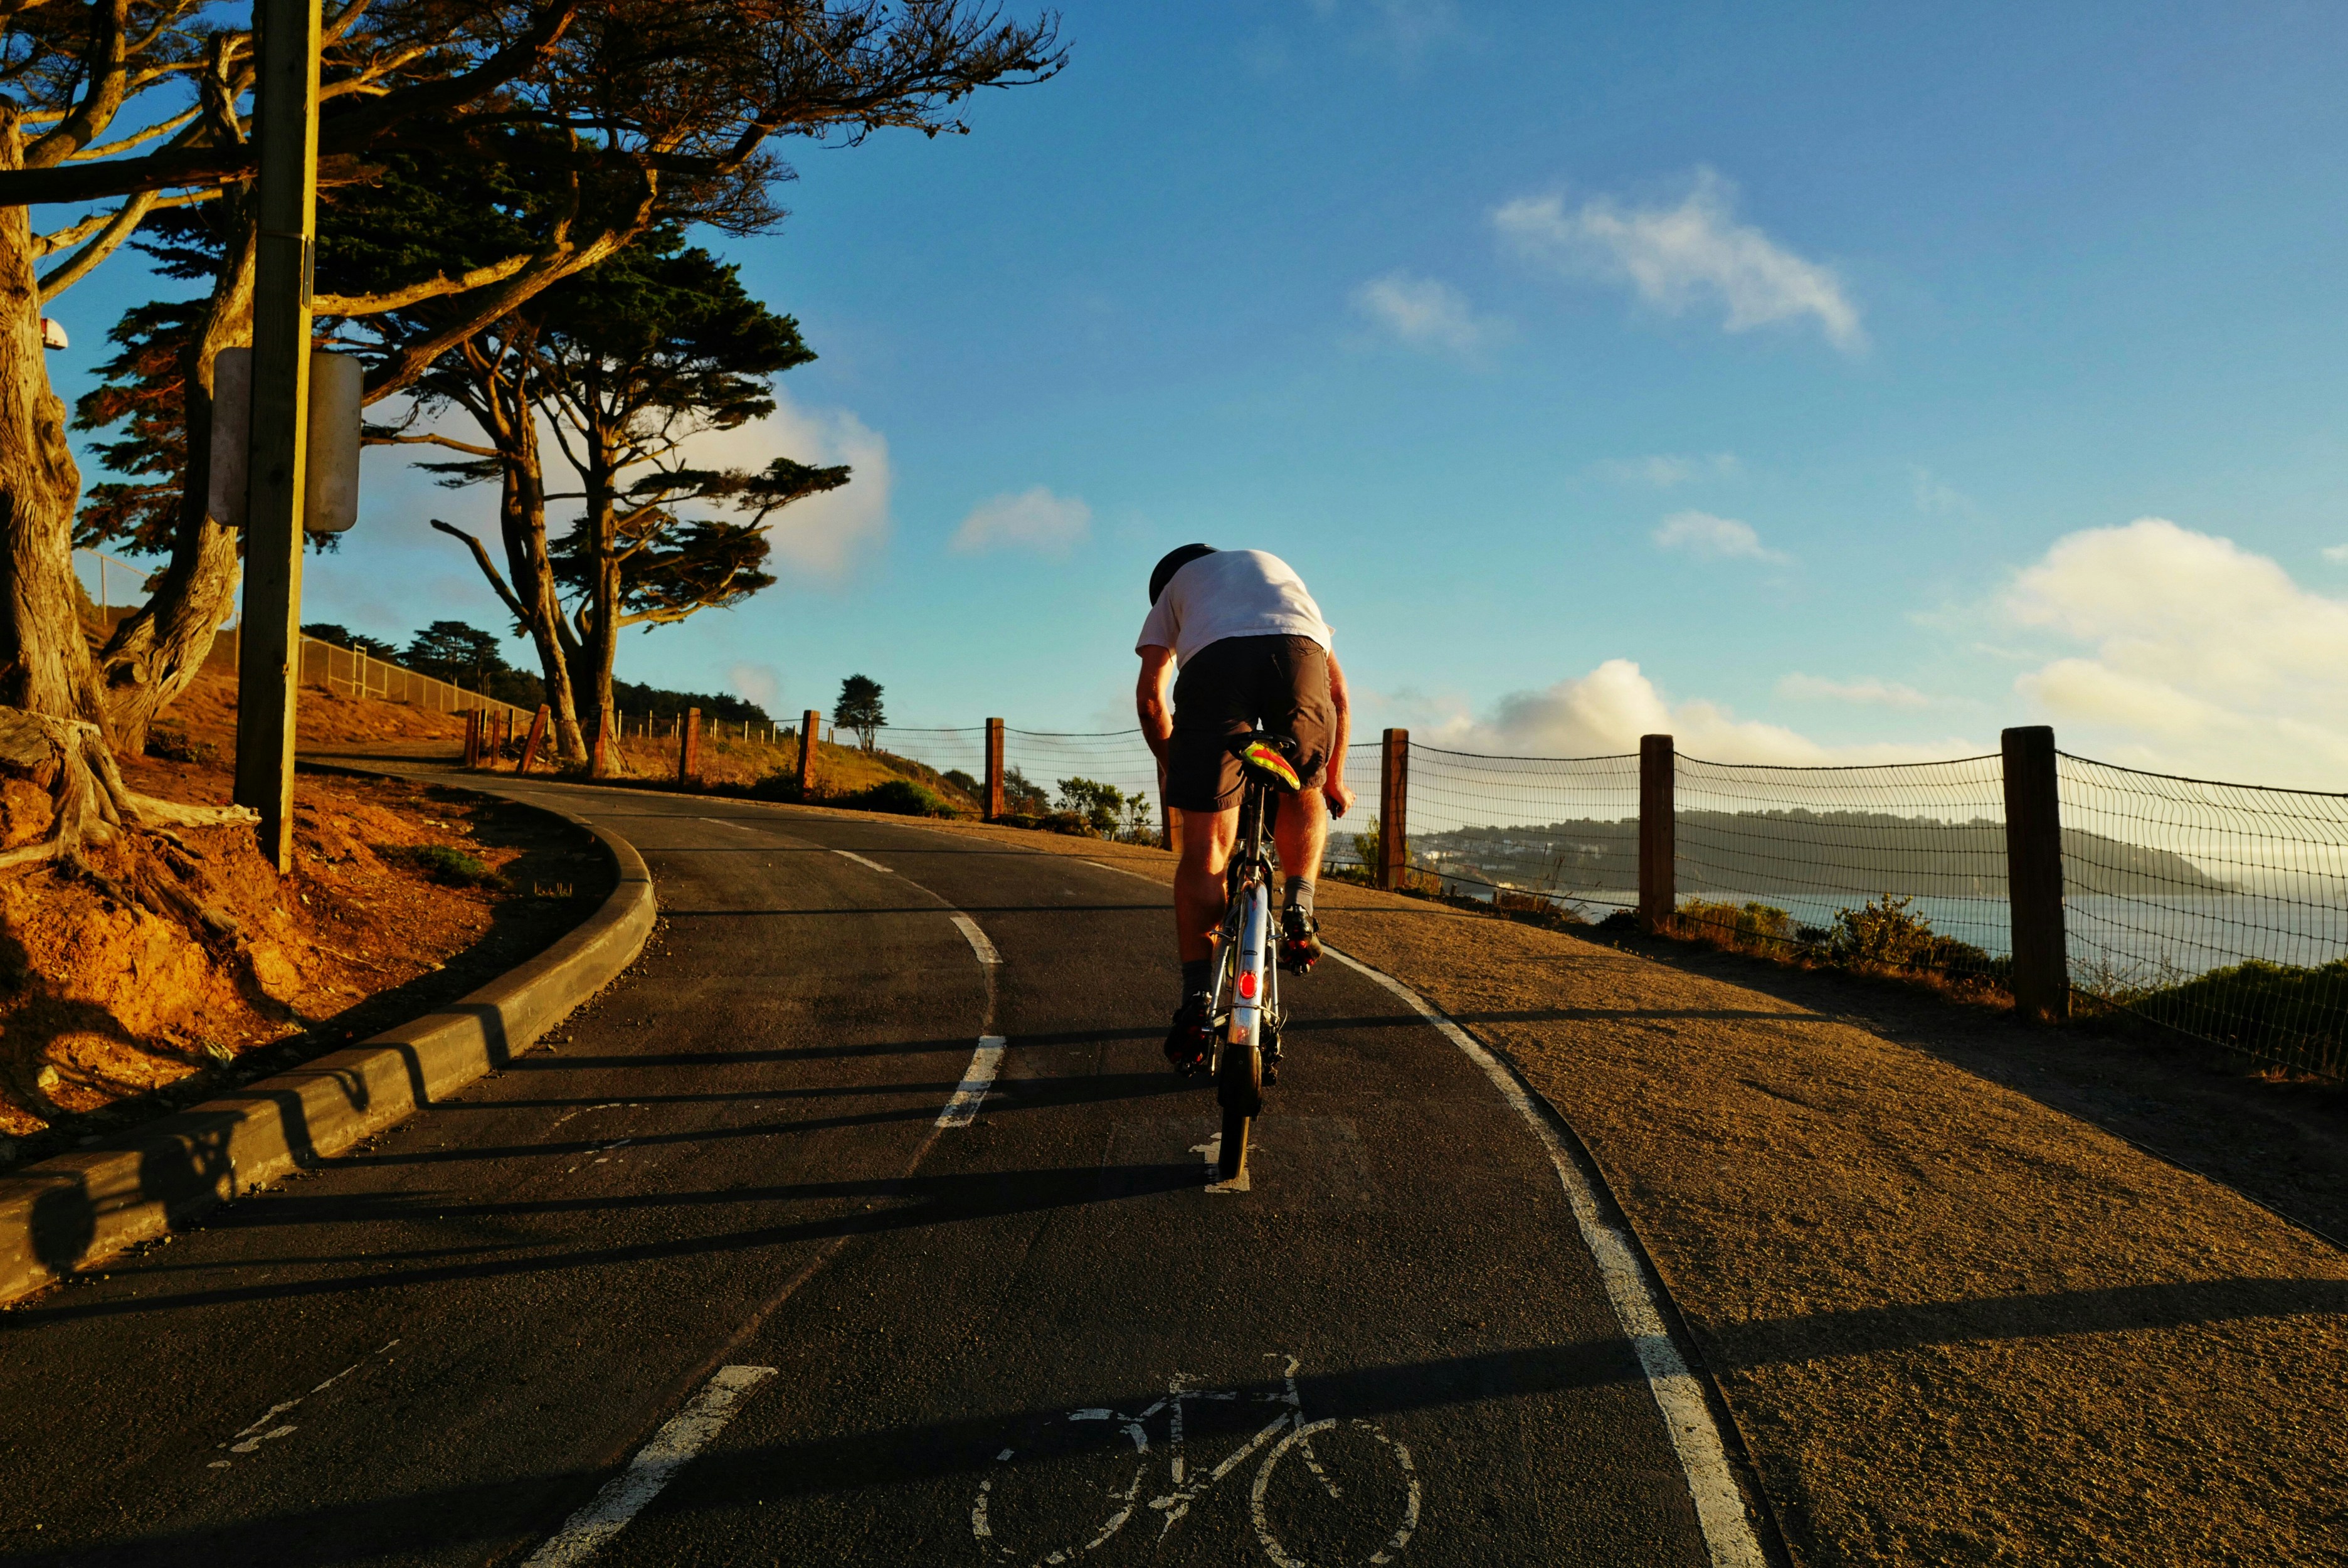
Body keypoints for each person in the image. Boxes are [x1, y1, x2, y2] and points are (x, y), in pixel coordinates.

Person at [1136, 544, 1353, 1071]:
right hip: (1297, 650)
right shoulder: (1273, 565)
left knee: (1207, 847)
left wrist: (1181, 769)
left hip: (1216, 667)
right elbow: (1340, 698)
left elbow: (1150, 700)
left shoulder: (1174, 589)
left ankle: (1194, 999)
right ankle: (1300, 908)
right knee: (1301, 784)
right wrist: (1334, 781)